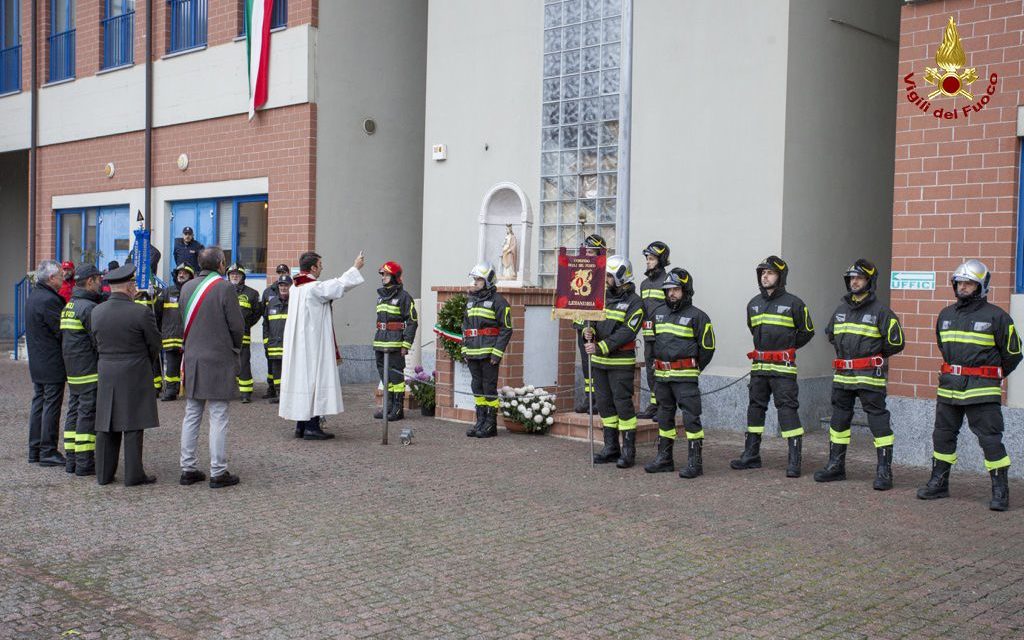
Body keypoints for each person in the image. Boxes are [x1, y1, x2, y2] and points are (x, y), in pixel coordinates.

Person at [917, 260, 1023, 511]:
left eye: (969, 283)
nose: (963, 287)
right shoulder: (946, 315)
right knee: (942, 436)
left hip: (982, 391)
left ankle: (1000, 491)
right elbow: (945, 349)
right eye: (960, 283)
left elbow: (1013, 354)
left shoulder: (998, 316)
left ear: (981, 286)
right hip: (949, 389)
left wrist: (988, 376)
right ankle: (939, 482)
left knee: (990, 440)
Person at [814, 259, 905, 490]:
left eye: (859, 278)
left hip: (869, 376)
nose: (854, 282)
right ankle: (836, 466)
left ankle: (884, 471)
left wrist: (871, 356)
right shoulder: (841, 310)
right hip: (843, 376)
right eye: (851, 278)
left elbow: (896, 343)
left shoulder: (882, 312)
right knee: (839, 420)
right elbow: (831, 334)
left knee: (878, 421)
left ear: (870, 281)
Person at [731, 256, 815, 477]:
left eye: (769, 272)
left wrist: (787, 348)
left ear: (781, 276)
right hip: (759, 368)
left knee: (787, 411)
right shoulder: (753, 304)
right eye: (762, 273)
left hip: (783, 370)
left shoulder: (794, 303)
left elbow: (807, 332)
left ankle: (794, 461)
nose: (765, 276)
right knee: (755, 409)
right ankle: (751, 455)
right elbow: (754, 330)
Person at [279, 251, 365, 440]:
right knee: (314, 380)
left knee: (301, 381)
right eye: (320, 264)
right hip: (311, 343)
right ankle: (312, 427)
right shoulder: (313, 288)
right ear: (313, 268)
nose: (322, 267)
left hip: (298, 344)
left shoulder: (295, 287)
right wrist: (355, 267)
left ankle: (300, 426)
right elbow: (340, 285)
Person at [178, 247, 244, 488]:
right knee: (218, 416)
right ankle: (218, 471)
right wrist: (234, 348)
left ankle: (188, 468)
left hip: (193, 358)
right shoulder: (225, 287)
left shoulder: (186, 287)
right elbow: (237, 326)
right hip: (218, 358)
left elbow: (181, 322)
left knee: (192, 414)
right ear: (220, 264)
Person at [91, 263, 161, 486]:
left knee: (106, 423)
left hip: (107, 369)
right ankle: (133, 474)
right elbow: (155, 344)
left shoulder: (96, 312)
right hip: (135, 369)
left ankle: (104, 474)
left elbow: (95, 342)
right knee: (132, 422)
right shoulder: (140, 312)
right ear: (130, 286)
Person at [643, 268, 716, 478]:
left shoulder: (699, 317)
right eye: (668, 290)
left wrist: (693, 368)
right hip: (663, 378)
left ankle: (695, 463)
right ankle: (664, 459)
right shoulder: (658, 314)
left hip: (685, 378)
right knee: (665, 418)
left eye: (676, 289)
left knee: (691, 419)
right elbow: (653, 343)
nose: (671, 293)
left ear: (686, 290)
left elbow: (708, 348)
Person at [584, 255, 644, 467]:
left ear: (621, 276)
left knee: (623, 405)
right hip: (600, 362)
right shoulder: (601, 297)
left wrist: (601, 346)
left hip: (620, 362)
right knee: (604, 405)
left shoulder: (635, 302)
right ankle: (610, 447)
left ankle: (628, 451)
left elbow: (627, 332)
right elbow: (591, 322)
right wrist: (588, 331)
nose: (606, 279)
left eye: (609, 275)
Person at [59, 264, 104, 476]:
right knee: (87, 413)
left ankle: (72, 459)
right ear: (89, 281)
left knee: (74, 411)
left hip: (74, 369)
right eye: (98, 280)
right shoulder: (88, 308)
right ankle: (85, 463)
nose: (101, 283)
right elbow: (98, 340)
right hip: (88, 369)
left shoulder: (70, 305)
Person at [463, 261, 513, 439]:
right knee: (476, 386)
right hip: (473, 353)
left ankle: (490, 425)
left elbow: (506, 329)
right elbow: (465, 327)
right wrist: (465, 350)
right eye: (474, 279)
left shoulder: (499, 302)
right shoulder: (471, 302)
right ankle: (480, 421)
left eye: (479, 280)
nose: (475, 283)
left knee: (488, 387)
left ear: (488, 281)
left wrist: (497, 353)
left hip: (489, 354)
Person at [26, 260, 68, 467]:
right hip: (51, 361)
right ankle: (47, 450)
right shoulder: (49, 300)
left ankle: (35, 449)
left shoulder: (35, 295)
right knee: (51, 405)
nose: (63, 279)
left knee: (39, 403)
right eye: (60, 276)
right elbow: (61, 331)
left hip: (39, 360)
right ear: (51, 278)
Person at [372, 261, 419, 421]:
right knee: (385, 376)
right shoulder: (381, 297)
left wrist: (406, 344)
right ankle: (388, 407)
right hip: (380, 341)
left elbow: (412, 322)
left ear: (395, 276)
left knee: (396, 377)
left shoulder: (404, 297)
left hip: (395, 343)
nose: (383, 277)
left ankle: (398, 409)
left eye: (386, 274)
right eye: (382, 274)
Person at [637, 241, 671, 420]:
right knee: (651, 370)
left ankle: (664, 407)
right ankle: (654, 403)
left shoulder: (668, 282)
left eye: (651, 259)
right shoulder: (643, 284)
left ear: (661, 259)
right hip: (648, 335)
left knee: (662, 370)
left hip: (663, 336)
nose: (648, 262)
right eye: (647, 259)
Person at [573, 233, 606, 414]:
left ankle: (598, 400)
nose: (588, 255)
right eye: (586, 251)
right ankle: (589, 399)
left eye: (592, 252)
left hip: (594, 327)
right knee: (586, 366)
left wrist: (592, 325)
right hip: (580, 325)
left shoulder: (602, 275)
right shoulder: (580, 272)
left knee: (595, 364)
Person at [154, 263, 195, 401]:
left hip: (190, 336)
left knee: (191, 365)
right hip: (171, 336)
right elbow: (156, 312)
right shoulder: (167, 292)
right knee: (171, 366)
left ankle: (192, 390)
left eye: (185, 273)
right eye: (179, 273)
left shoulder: (195, 292)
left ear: (191, 276)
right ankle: (171, 391)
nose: (181, 275)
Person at [227, 263, 263, 403]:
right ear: (228, 276)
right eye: (232, 274)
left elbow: (257, 313)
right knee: (226, 364)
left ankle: (245, 393)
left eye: (237, 274)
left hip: (243, 334)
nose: (234, 276)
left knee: (243, 363)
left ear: (242, 276)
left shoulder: (252, 293)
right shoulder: (222, 290)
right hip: (225, 336)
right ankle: (227, 390)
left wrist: (245, 325)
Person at [263, 274, 291, 404]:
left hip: (289, 344)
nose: (283, 288)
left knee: (289, 369)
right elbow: (266, 324)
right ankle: (279, 393)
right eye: (281, 285)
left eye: (286, 285)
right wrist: (266, 341)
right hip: (274, 344)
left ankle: (289, 394)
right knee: (276, 370)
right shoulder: (272, 303)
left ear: (290, 287)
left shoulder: (294, 302)